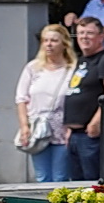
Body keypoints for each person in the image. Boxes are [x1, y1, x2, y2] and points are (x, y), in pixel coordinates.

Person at [62, 18, 104, 181]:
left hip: (91, 136)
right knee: (76, 186)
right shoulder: (81, 60)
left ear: (101, 36)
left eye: (89, 33)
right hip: (75, 135)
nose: (84, 37)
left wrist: (96, 122)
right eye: (81, 33)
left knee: (92, 184)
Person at [16, 24, 76, 183]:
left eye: (54, 40)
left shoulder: (72, 69)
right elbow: (21, 98)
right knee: (42, 176)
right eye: (45, 40)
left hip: (62, 127)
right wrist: (24, 126)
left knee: (60, 177)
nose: (49, 44)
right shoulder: (33, 68)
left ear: (64, 43)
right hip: (37, 126)